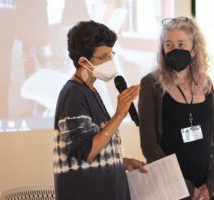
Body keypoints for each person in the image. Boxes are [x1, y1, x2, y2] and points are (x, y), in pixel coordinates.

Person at [53, 21, 147, 200]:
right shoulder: (73, 94)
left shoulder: (90, 91)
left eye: (110, 54)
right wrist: (119, 115)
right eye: (102, 57)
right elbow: (87, 151)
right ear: (83, 62)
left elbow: (96, 145)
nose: (110, 62)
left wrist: (120, 163)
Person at [138, 16, 214, 200]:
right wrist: (187, 188)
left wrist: (211, 185)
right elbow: (149, 146)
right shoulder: (151, 84)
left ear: (194, 48)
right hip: (168, 189)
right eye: (169, 44)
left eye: (181, 44)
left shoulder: (206, 84)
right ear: (162, 49)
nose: (174, 50)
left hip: (204, 190)